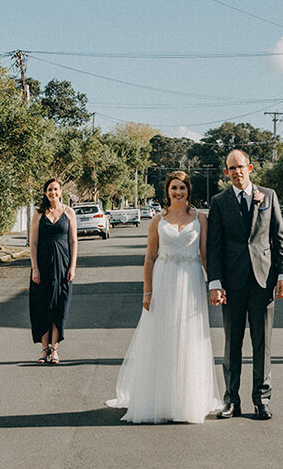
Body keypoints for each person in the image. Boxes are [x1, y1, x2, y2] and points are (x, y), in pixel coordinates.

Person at [107, 171, 221, 423]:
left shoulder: (200, 218)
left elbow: (204, 254)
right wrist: (147, 291)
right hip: (164, 280)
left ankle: (186, 400)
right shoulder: (158, 219)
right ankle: (160, 399)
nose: (178, 192)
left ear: (188, 190)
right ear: (167, 191)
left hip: (191, 281)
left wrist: (215, 284)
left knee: (189, 337)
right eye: (173, 188)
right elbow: (150, 257)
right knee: (164, 336)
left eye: (182, 188)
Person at [206, 149, 283, 421]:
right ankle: (231, 400)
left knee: (262, 344)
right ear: (226, 172)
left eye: (240, 166)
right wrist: (215, 282)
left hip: (263, 281)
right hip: (232, 283)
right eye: (231, 168)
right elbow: (214, 245)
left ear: (250, 168)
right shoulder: (219, 202)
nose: (237, 172)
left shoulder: (269, 195)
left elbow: (279, 239)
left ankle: (262, 399)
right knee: (232, 344)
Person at [29, 178, 77, 364]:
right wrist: (35, 268)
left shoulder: (69, 212)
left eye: (55, 189)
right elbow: (33, 242)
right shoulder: (39, 213)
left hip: (63, 266)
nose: (53, 193)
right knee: (43, 307)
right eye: (49, 190)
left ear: (61, 191)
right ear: (45, 192)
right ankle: (44, 349)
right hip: (42, 266)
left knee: (59, 306)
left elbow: (73, 242)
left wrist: (72, 267)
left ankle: (55, 349)